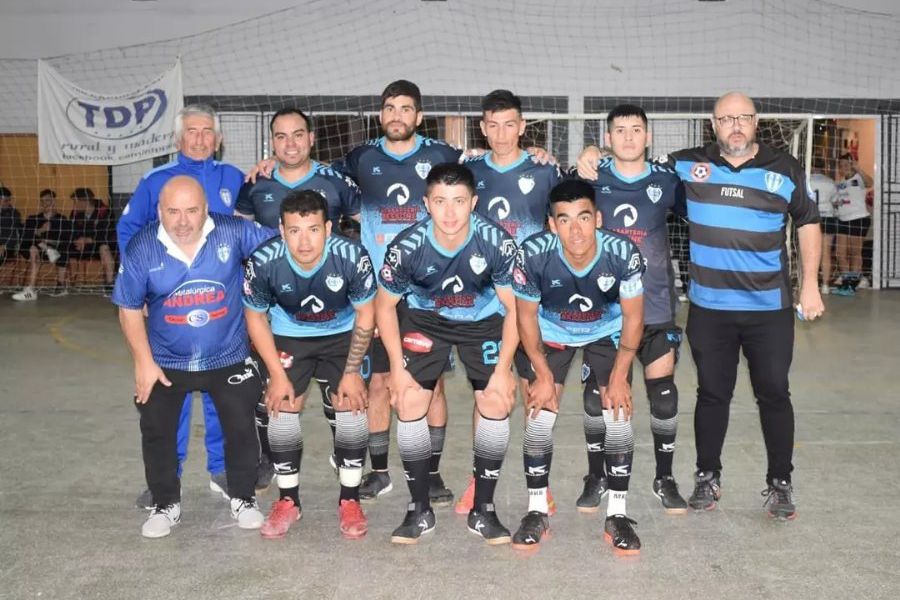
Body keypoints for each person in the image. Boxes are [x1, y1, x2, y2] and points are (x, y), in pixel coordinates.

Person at [578, 91, 824, 520]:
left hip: (769, 308)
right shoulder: (687, 164)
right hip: (709, 308)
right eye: (726, 118)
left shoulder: (783, 168)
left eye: (743, 117)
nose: (735, 126)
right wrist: (592, 151)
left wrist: (811, 286)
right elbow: (631, 156)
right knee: (712, 394)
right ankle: (707, 476)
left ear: (755, 121)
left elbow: (807, 221)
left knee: (773, 393)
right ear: (714, 124)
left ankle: (780, 482)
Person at [116, 104, 270, 509]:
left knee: (226, 398)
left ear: (218, 139)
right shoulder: (155, 181)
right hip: (170, 308)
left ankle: (223, 469)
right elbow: (130, 233)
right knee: (168, 395)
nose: (200, 139)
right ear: (178, 139)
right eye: (192, 132)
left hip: (221, 310)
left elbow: (254, 232)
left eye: (207, 132)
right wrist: (140, 293)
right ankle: (169, 475)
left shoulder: (234, 178)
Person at [375, 163, 518, 545]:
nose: (450, 212)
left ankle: (483, 510)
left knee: (497, 399)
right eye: (440, 201)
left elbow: (516, 308)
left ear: (474, 202)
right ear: (426, 203)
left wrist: (504, 368)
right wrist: (396, 370)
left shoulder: (497, 242)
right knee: (407, 400)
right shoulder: (407, 246)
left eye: (458, 201)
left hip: (483, 321)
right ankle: (419, 509)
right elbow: (384, 307)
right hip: (426, 320)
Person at [513, 179, 645, 554]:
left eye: (584, 218)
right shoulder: (533, 253)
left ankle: (617, 514)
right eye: (565, 220)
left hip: (607, 330)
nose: (576, 230)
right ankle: (536, 510)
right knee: (540, 413)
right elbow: (525, 319)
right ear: (552, 225)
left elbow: (634, 318)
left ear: (598, 219)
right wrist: (541, 372)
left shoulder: (622, 252)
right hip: (552, 331)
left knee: (617, 413)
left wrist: (620, 375)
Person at [242, 190, 375, 540]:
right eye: (295, 230)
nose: (304, 241)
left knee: (352, 405)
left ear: (329, 228)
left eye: (313, 229)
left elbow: (366, 313)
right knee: (282, 406)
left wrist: (351, 372)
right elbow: (255, 319)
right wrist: (276, 374)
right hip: (289, 334)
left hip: (342, 333)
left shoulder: (352, 256)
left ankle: (349, 499)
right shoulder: (263, 261)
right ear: (281, 230)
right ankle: (289, 500)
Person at [576, 104, 688, 515]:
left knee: (663, 397)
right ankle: (596, 475)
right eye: (619, 130)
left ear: (648, 137)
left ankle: (665, 477)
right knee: (595, 399)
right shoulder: (591, 177)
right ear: (607, 138)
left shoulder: (667, 181)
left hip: (656, 306)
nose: (627, 137)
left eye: (636, 130)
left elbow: (705, 214)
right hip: (603, 309)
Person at [456, 89, 561, 514]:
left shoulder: (545, 170)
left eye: (510, 124)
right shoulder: (468, 170)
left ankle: (540, 484)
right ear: (483, 128)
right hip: (484, 303)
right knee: (490, 396)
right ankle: (478, 479)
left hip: (534, 301)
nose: (502, 133)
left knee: (538, 390)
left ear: (523, 126)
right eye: (493, 125)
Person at [235, 108, 360, 232]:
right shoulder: (255, 183)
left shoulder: (336, 181)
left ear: (311, 138)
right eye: (281, 137)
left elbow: (374, 224)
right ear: (273, 143)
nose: (290, 144)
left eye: (298, 135)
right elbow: (238, 235)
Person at [12, 189, 70, 301]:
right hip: (37, 251)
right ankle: (31, 290)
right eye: (42, 201)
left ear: (54, 202)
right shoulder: (33, 218)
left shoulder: (62, 219)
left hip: (56, 252)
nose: (45, 204)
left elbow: (65, 239)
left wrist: (47, 241)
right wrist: (40, 230)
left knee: (37, 247)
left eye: (48, 200)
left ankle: (59, 286)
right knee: (31, 245)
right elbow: (25, 235)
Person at [833, 152, 872, 296]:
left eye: (846, 164)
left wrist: (859, 169)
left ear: (852, 165)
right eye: (841, 165)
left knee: (855, 252)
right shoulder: (840, 183)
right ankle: (847, 281)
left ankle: (852, 285)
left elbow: (870, 183)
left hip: (859, 218)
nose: (843, 167)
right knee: (840, 253)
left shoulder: (858, 178)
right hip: (843, 220)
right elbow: (838, 201)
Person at [67, 187, 116, 293]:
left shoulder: (104, 211)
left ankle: (110, 284)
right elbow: (72, 231)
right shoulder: (75, 213)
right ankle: (70, 284)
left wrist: (89, 239)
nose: (74, 205)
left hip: (101, 244)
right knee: (68, 248)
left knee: (104, 248)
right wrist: (78, 241)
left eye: (76, 201)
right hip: (84, 245)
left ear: (85, 201)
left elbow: (106, 234)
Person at [808, 157, 839, 294]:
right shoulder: (830, 182)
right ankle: (825, 285)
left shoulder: (806, 180)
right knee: (826, 252)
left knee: (809, 251)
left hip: (811, 217)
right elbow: (836, 201)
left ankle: (809, 283)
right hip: (828, 217)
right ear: (823, 167)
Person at [0, 186, 23, 268]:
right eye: (5, 201)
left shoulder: (14, 214)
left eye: (9, 200)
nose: (8, 203)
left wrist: (3, 245)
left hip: (8, 247)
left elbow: (14, 234)